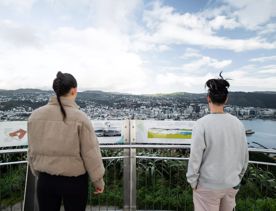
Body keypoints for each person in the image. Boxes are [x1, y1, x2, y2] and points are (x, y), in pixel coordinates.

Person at [27, 71, 105, 211]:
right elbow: (90, 153)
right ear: (74, 91)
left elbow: (32, 149)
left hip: (45, 180)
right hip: (74, 182)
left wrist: (37, 172)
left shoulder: (35, 116)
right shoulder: (81, 118)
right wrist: (98, 181)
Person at [186, 73, 249, 211]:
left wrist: (193, 182)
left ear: (208, 98)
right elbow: (245, 156)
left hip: (207, 186)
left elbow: (195, 158)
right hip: (231, 184)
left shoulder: (201, 124)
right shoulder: (238, 124)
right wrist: (237, 178)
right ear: (226, 99)